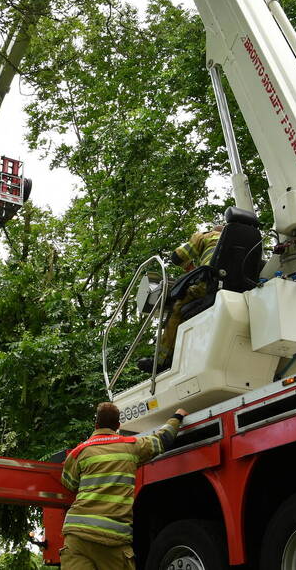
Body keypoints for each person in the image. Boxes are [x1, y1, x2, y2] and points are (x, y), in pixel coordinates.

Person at [59, 402, 188, 569]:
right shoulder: (131, 446)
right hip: (111, 539)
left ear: (96, 424)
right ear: (118, 426)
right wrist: (177, 416)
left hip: (77, 536)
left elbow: (69, 483)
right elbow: (163, 440)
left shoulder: (79, 452)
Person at [138, 227, 224, 374]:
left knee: (177, 308)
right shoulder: (250, 239)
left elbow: (177, 256)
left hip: (209, 286)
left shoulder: (207, 236)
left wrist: (189, 267)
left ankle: (161, 360)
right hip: (238, 287)